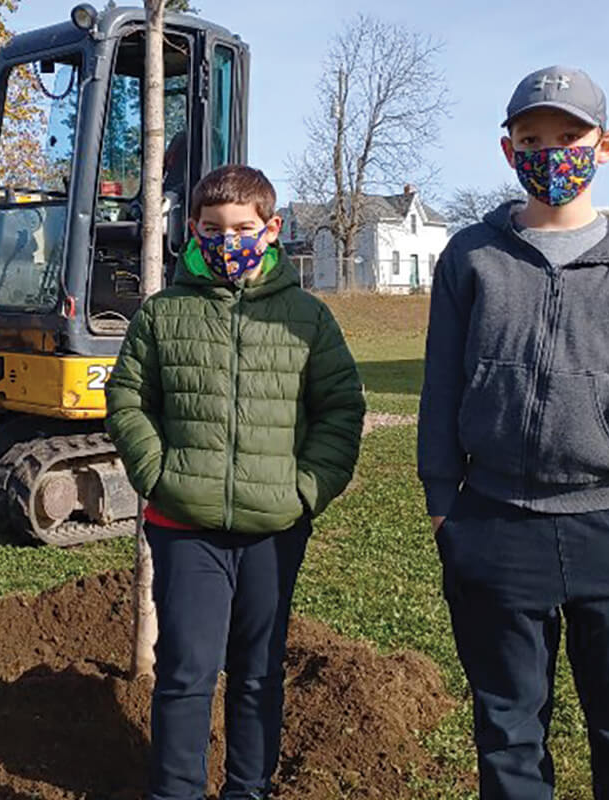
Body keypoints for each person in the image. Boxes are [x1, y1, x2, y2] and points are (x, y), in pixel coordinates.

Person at [418, 66, 609, 799]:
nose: (553, 151)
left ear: (605, 144)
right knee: (508, 738)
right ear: (508, 148)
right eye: (533, 138)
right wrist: (443, 502)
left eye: (570, 136)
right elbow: (443, 382)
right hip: (495, 524)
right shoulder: (470, 257)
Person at [105, 164, 365, 799]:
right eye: (214, 229)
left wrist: (306, 490)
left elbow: (341, 408)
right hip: (183, 525)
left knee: (258, 673)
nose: (229, 241)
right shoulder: (164, 314)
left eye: (244, 228)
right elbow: (127, 399)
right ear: (193, 229)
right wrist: (157, 474)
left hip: (274, 530)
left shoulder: (307, 318)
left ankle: (249, 789)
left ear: (271, 229)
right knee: (186, 672)